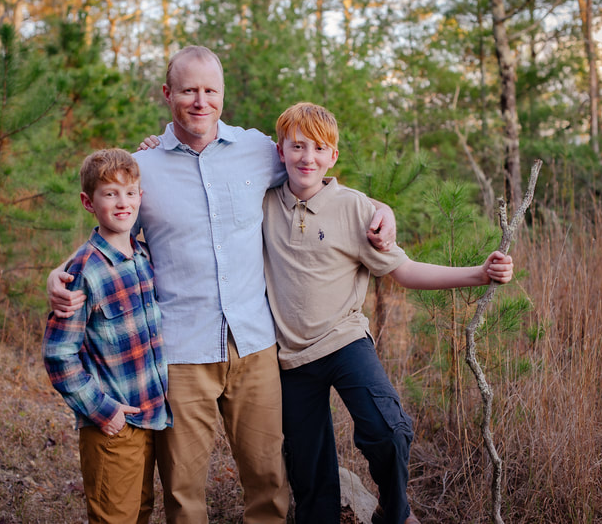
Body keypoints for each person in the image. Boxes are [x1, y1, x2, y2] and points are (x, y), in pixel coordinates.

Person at [47, 46, 397, 524]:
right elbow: (110, 228)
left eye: (210, 91)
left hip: (255, 346)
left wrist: (382, 208)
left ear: (222, 95)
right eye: (188, 90)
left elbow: (314, 176)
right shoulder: (142, 169)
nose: (200, 101)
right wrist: (61, 272)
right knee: (184, 489)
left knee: (268, 481)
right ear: (168, 94)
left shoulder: (257, 151)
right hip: (183, 351)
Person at [263, 102, 515, 524]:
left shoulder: (357, 209)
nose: (308, 157)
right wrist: (160, 145)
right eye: (298, 146)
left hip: (344, 341)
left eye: (319, 148)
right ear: (280, 150)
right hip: (290, 357)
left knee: (388, 430)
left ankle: (394, 512)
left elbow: (405, 271)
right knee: (309, 471)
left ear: (333, 157)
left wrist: (479, 274)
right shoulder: (264, 201)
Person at [42, 148, 171, 524]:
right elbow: (58, 354)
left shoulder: (143, 257)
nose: (122, 202)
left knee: (140, 511)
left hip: (150, 417)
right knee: (115, 517)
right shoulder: (82, 271)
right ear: (88, 202)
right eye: (110, 193)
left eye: (130, 192)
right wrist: (103, 410)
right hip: (113, 425)